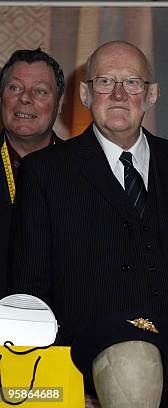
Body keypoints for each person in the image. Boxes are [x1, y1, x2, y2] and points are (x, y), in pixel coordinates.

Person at [9, 41, 168, 407]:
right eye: (104, 82)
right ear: (84, 93)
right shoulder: (45, 172)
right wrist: (52, 384)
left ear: (152, 95)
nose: (117, 94)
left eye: (131, 83)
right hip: (81, 381)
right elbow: (30, 290)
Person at [0, 48, 64, 294]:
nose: (25, 99)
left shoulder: (85, 171)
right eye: (14, 88)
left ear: (58, 103)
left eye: (40, 91)